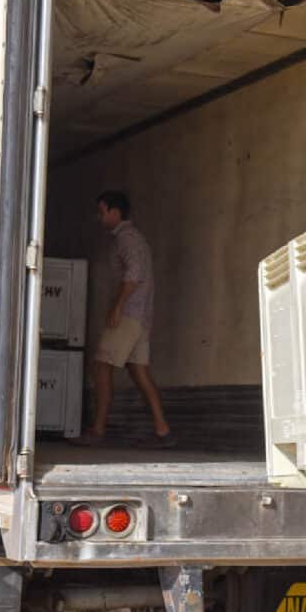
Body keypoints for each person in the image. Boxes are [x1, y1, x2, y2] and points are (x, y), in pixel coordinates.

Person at [75, 191, 175, 448]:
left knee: (101, 366)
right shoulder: (135, 239)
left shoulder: (127, 239)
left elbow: (134, 274)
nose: (99, 217)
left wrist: (117, 307)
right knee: (138, 370)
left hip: (129, 314)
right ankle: (163, 431)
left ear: (115, 212)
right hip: (141, 315)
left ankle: (97, 430)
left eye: (102, 211)